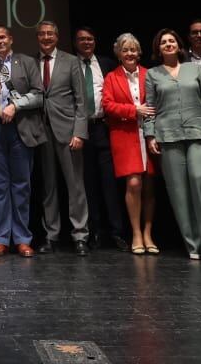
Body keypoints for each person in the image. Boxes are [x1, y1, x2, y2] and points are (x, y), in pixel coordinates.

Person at [145, 28, 201, 263]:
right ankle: (193, 244)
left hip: (199, 132)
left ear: (179, 45)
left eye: (171, 41)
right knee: (179, 192)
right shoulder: (153, 74)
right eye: (163, 42)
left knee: (200, 181)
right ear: (158, 49)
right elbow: (150, 108)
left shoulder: (194, 69)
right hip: (167, 135)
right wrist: (150, 136)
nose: (168, 44)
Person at [0, 26, 45, 257]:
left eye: (3, 37)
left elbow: (39, 95)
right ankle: (1, 238)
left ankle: (23, 239)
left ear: (11, 39)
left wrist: (16, 105)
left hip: (20, 131)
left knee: (22, 186)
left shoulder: (26, 63)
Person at [32, 20, 89, 254]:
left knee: (75, 185)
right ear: (37, 37)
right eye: (42, 34)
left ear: (57, 37)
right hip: (41, 132)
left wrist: (79, 132)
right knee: (48, 186)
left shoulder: (71, 61)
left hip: (68, 132)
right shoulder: (30, 62)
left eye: (50, 34)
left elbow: (81, 101)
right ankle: (51, 235)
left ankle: (80, 235)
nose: (46, 38)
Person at [73, 27, 129, 251]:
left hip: (103, 129)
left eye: (90, 39)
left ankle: (117, 232)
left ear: (95, 42)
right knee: (88, 184)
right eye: (82, 39)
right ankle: (95, 231)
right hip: (80, 130)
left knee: (110, 183)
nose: (87, 43)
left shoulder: (106, 64)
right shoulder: (69, 63)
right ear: (75, 43)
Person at [102, 33, 158, 255]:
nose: (130, 53)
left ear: (139, 52)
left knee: (150, 185)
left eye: (133, 49)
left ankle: (148, 233)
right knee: (134, 183)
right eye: (125, 50)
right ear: (118, 54)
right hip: (125, 135)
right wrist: (134, 111)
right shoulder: (111, 77)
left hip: (151, 135)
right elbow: (107, 105)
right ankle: (135, 233)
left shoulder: (150, 74)